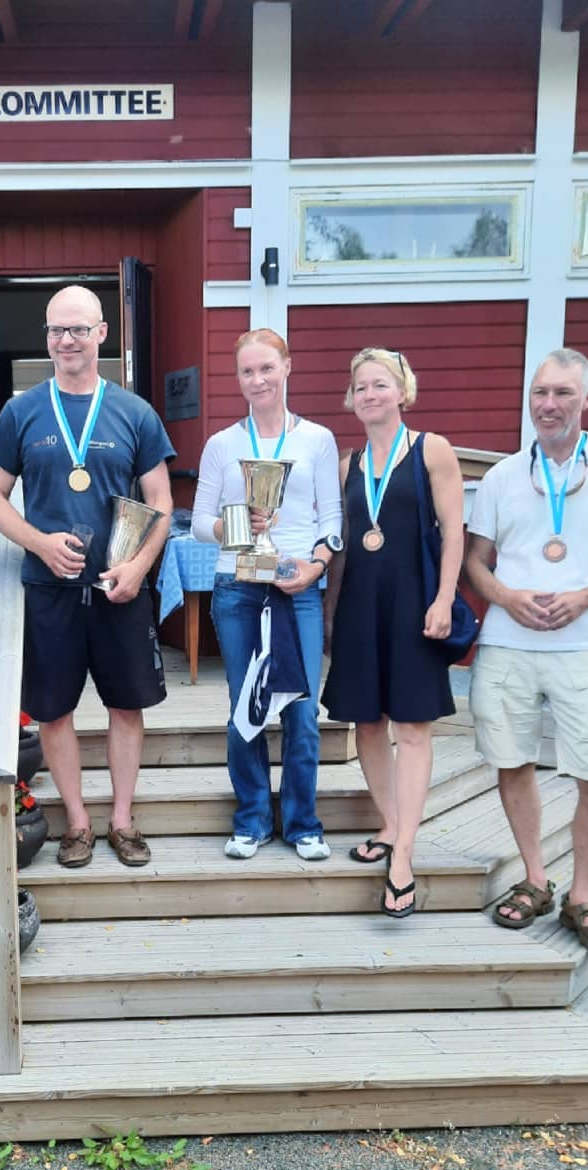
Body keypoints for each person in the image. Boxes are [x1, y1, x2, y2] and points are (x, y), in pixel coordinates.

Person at [466, 349, 588, 954]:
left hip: (585, 645)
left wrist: (586, 597)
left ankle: (582, 895)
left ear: (587, 399)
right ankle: (535, 879)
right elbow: (476, 562)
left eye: (563, 394)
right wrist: (507, 597)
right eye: (540, 393)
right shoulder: (502, 477)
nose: (548, 405)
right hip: (508, 643)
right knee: (513, 762)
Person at [0, 285, 174, 869]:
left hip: (119, 590)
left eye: (79, 329)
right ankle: (79, 823)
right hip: (49, 590)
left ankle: (122, 819)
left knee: (126, 708)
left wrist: (139, 567)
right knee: (55, 712)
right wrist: (39, 543)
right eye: (56, 330)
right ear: (47, 337)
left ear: (101, 334)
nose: (67, 340)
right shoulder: (20, 412)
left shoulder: (134, 412)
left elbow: (161, 503)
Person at [322, 348, 465, 917]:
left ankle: (403, 852)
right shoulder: (348, 464)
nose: (369, 394)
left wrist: (445, 598)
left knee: (411, 725)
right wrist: (330, 611)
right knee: (366, 722)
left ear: (402, 391)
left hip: (414, 603)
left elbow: (454, 531)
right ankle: (388, 822)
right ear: (351, 399)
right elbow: (340, 548)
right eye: (360, 387)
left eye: (379, 384)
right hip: (360, 605)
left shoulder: (432, 449)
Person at [191, 328, 342, 860]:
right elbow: (199, 523)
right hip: (238, 587)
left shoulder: (317, 439)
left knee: (302, 709)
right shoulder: (222, 444)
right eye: (247, 371)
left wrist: (315, 566)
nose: (257, 380)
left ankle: (303, 823)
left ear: (287, 367)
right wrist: (240, 525)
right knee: (246, 706)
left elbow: (331, 519)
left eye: (266, 368)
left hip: (297, 587)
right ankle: (252, 818)